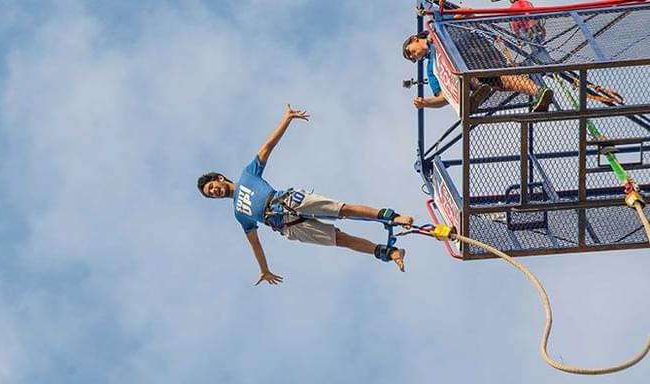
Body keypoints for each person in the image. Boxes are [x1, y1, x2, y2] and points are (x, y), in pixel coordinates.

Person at [197, 104, 414, 286]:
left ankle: (393, 217)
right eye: (211, 195)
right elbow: (255, 243)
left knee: (342, 209)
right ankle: (390, 252)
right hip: (288, 227)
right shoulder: (239, 213)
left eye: (213, 187)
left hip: (290, 201)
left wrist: (287, 119)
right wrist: (265, 269)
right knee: (340, 240)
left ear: (220, 178)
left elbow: (267, 147)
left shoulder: (247, 175)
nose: (215, 192)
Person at [402, 30, 553, 113]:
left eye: (411, 52)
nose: (414, 56)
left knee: (491, 75)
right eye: (412, 58)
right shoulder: (431, 69)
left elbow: (460, 16)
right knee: (505, 80)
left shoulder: (434, 30)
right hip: (473, 70)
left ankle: (477, 89)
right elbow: (445, 96)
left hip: (475, 51)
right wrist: (425, 103)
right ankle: (540, 92)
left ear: (415, 39)